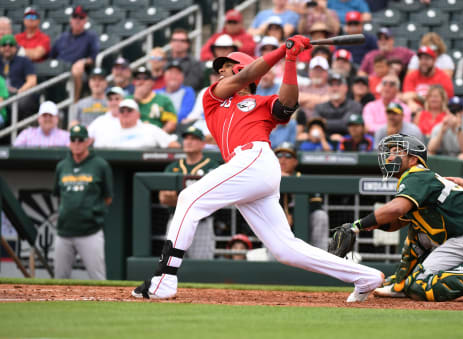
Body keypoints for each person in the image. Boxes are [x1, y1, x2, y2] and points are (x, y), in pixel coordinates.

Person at [131, 38, 384, 302]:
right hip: (246, 168)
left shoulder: (261, 102)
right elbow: (250, 74)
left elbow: (287, 103)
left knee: (188, 198)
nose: (220, 71)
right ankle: (364, 276)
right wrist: (281, 49)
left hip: (255, 158)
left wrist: (290, 59)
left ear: (239, 69)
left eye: (227, 66)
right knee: (285, 249)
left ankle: (164, 278)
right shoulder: (212, 97)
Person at [329, 133, 463, 302]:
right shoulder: (417, 178)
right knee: (417, 237)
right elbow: (395, 222)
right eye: (390, 151)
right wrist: (372, 224)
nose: (390, 156)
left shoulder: (416, 174)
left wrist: (357, 226)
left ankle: (406, 283)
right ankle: (402, 282)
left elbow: (397, 208)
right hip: (462, 237)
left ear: (413, 159)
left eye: (397, 151)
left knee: (422, 286)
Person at [53, 124, 113, 280]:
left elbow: (108, 197)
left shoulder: (100, 165)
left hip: (90, 232)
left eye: (81, 140)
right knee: (59, 280)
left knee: (98, 279)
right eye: (73, 139)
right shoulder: (62, 166)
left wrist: (92, 213)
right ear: (69, 142)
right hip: (64, 232)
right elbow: (58, 194)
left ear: (88, 142)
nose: (77, 143)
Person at [159, 126, 219, 259]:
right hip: (176, 220)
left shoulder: (212, 166)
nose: (189, 141)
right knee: (169, 262)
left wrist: (178, 197)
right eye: (186, 138)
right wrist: (195, 199)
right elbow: (163, 198)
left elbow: (214, 199)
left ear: (203, 144)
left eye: (194, 138)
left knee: (202, 265)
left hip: (201, 222)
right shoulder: (173, 167)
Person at [275, 142, 330, 249]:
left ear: (295, 162)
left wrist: (294, 216)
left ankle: (318, 258)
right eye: (279, 155)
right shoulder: (267, 179)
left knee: (320, 216)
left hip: (303, 227)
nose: (283, 159)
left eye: (288, 156)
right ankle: (272, 263)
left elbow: (316, 205)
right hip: (278, 229)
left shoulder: (303, 179)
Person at [50, 6, 99, 102]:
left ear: (85, 20)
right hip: (60, 68)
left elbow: (93, 57)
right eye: (75, 17)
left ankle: (74, 102)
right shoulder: (62, 37)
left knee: (77, 70)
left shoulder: (91, 36)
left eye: (81, 17)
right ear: (70, 20)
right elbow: (52, 56)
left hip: (78, 70)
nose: (77, 20)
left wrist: (83, 61)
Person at [93, 99, 179, 149]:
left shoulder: (150, 129)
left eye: (129, 110)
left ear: (138, 115)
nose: (125, 113)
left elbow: (173, 145)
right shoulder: (109, 131)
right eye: (122, 111)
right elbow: (97, 149)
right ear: (118, 114)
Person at [312, 72, 362, 140]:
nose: (334, 88)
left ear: (346, 88)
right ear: (327, 88)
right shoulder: (319, 107)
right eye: (331, 85)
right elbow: (315, 126)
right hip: (324, 143)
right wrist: (329, 137)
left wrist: (323, 122)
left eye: (338, 84)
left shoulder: (355, 105)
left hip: (349, 144)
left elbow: (346, 125)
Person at [0, 34, 38, 121]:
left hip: (19, 93)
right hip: (1, 95)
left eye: (11, 45)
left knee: (23, 102)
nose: (7, 48)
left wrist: (20, 92)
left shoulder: (24, 60)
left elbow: (32, 80)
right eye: (4, 45)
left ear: (16, 47)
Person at [132, 66, 177, 133]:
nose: (141, 81)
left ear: (152, 82)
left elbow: (172, 122)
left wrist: (159, 136)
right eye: (138, 78)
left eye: (145, 78)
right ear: (134, 82)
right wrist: (135, 101)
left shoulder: (163, 100)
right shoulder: (127, 100)